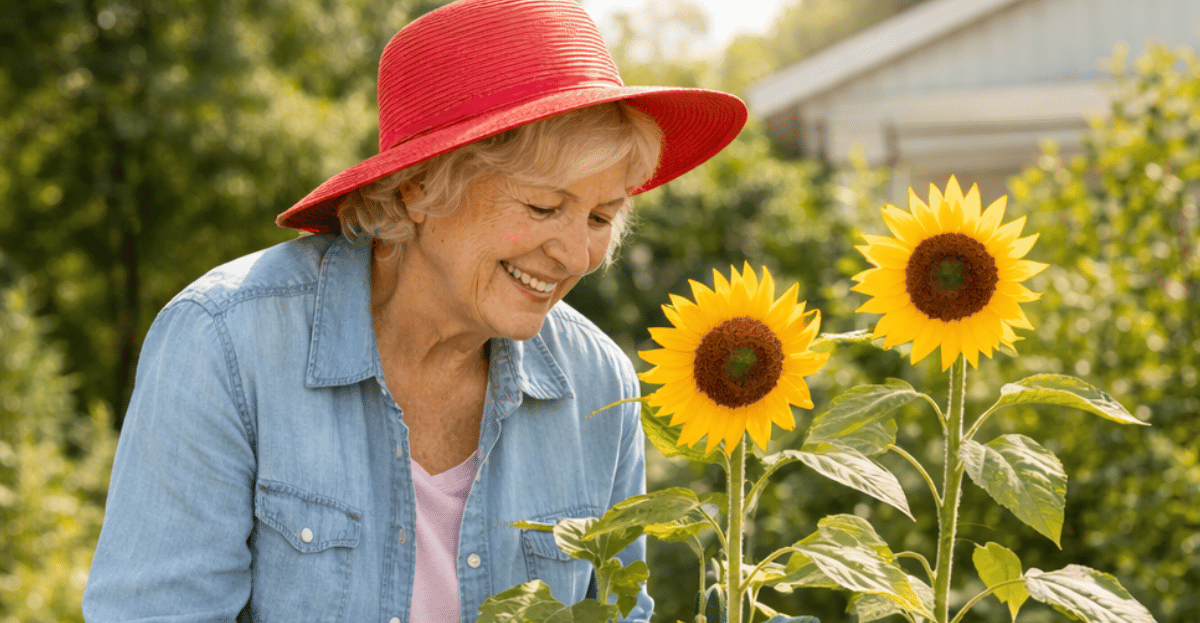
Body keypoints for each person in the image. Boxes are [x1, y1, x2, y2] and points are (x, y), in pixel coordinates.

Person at [82, 0, 747, 621]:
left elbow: (619, 608)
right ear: (419, 186)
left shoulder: (599, 385)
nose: (576, 252)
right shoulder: (225, 345)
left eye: (602, 216)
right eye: (543, 208)